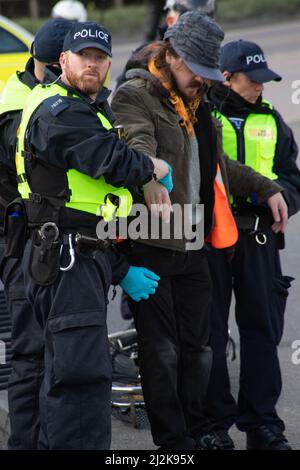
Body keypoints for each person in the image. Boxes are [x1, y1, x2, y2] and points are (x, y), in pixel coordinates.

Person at [111, 11, 288, 450]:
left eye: (210, 74)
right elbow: (136, 144)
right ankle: (174, 445)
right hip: (149, 241)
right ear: (170, 55)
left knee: (201, 349)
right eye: (197, 71)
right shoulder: (135, 95)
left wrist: (266, 188)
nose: (204, 81)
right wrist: (150, 177)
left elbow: (218, 166)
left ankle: (201, 429)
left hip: (192, 241)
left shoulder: (196, 101)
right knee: (163, 354)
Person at [16, 20, 172, 450]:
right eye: (84, 56)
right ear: (62, 60)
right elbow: (107, 158)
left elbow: (86, 207)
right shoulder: (59, 111)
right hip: (69, 264)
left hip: (80, 256)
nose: (93, 65)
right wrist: (153, 169)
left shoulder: (82, 108)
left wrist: (118, 267)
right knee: (80, 381)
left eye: (101, 58)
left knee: (67, 376)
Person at [205, 39, 300, 450]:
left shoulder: (274, 121)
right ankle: (212, 424)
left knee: (262, 330)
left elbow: (293, 181)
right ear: (226, 77)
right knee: (207, 333)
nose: (260, 87)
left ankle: (263, 424)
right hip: (208, 238)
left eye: (265, 79)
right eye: (252, 79)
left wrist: (280, 200)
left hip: (259, 237)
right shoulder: (202, 115)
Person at [0, 18, 72, 450]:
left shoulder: (38, 94)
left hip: (45, 243)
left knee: (51, 351)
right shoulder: (20, 106)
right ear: (50, 64)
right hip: (24, 243)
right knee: (30, 353)